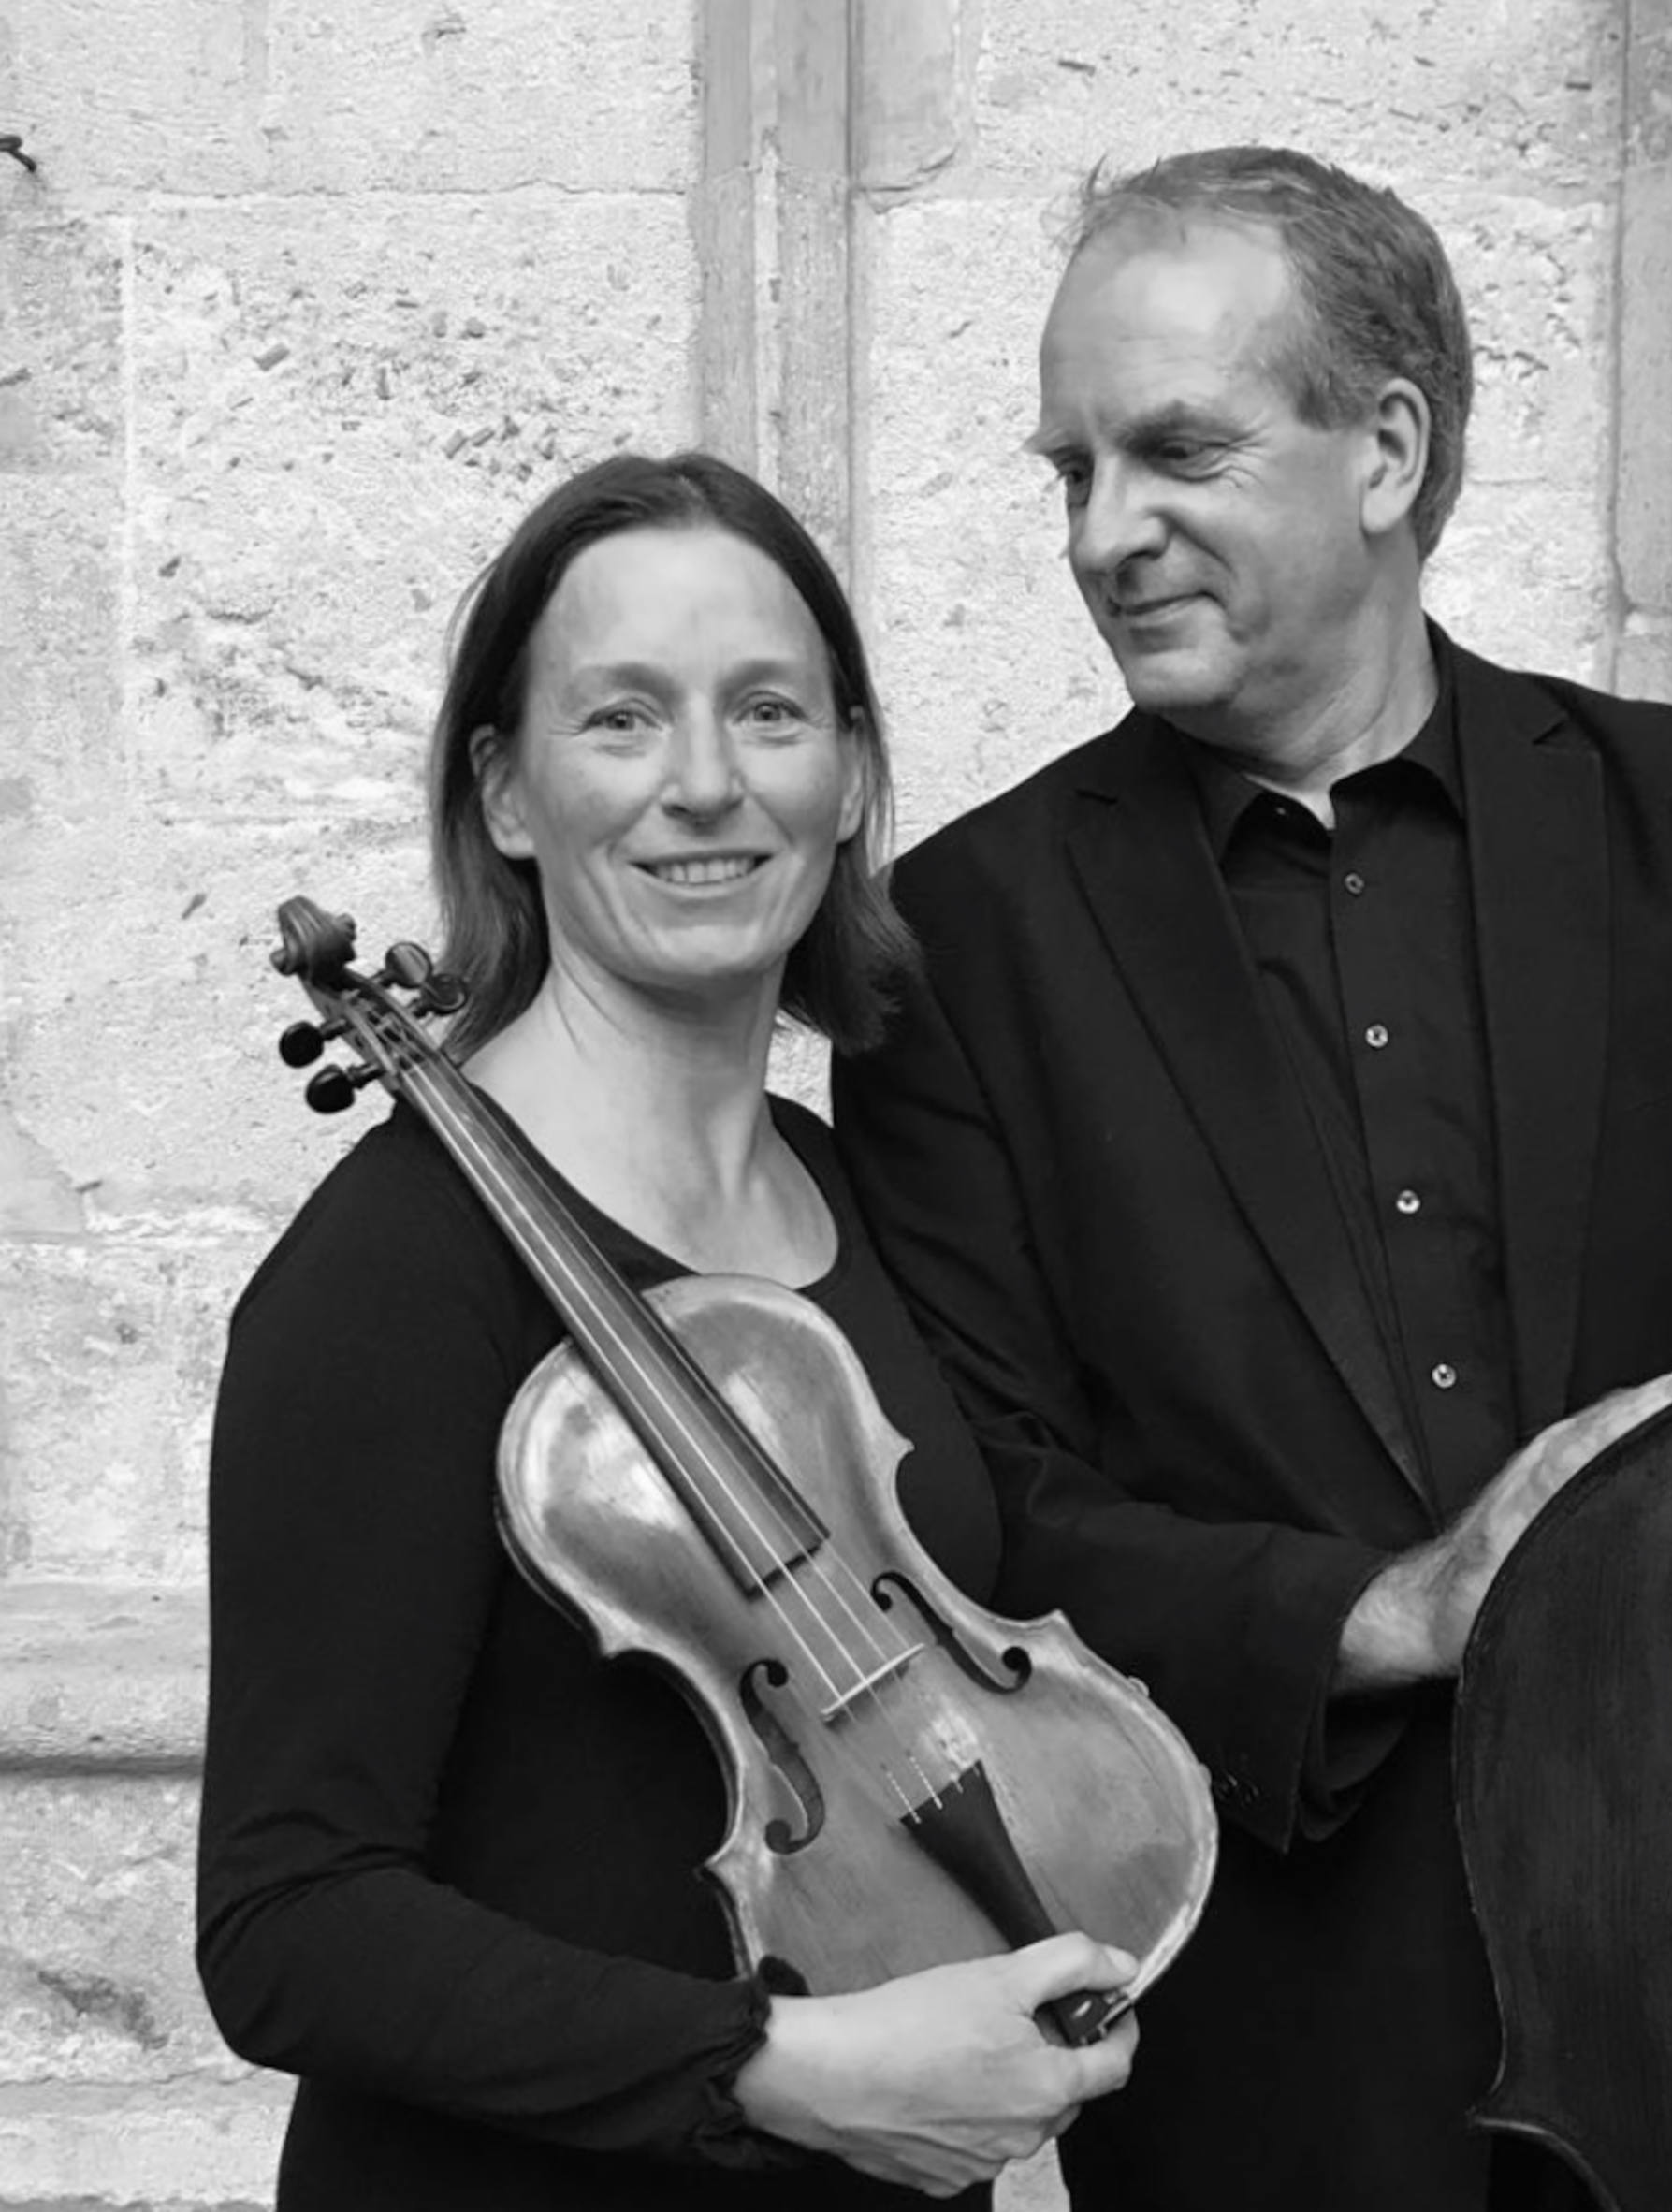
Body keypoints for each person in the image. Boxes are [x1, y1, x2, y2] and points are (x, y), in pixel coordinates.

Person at [831, 148, 1672, 2212]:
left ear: (1385, 448)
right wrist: (1390, 1604)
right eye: (1069, 470)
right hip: (1270, 2054)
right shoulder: (962, 942)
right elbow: (973, 1526)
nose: (1105, 533)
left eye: (1173, 450)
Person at [196, 450, 1141, 2211]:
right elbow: (286, 1926)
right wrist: (778, 2072)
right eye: (622, 721)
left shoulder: (850, 1191)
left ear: (849, 771)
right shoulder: (395, 1275)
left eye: (768, 713)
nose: (706, 787)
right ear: (504, 793)